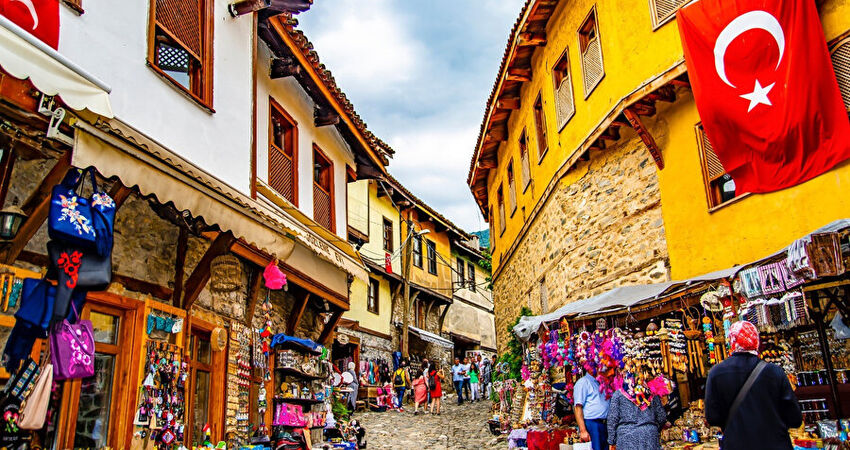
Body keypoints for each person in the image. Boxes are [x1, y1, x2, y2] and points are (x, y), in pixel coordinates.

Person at [705, 321, 802, 450]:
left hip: (736, 444)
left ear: (731, 342)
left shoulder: (716, 373)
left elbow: (712, 417)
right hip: (775, 444)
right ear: (756, 342)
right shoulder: (774, 372)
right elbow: (795, 418)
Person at [574, 371, 611, 450]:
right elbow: (578, 407)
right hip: (592, 424)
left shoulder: (602, 382)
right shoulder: (583, 382)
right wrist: (583, 430)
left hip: (604, 424)